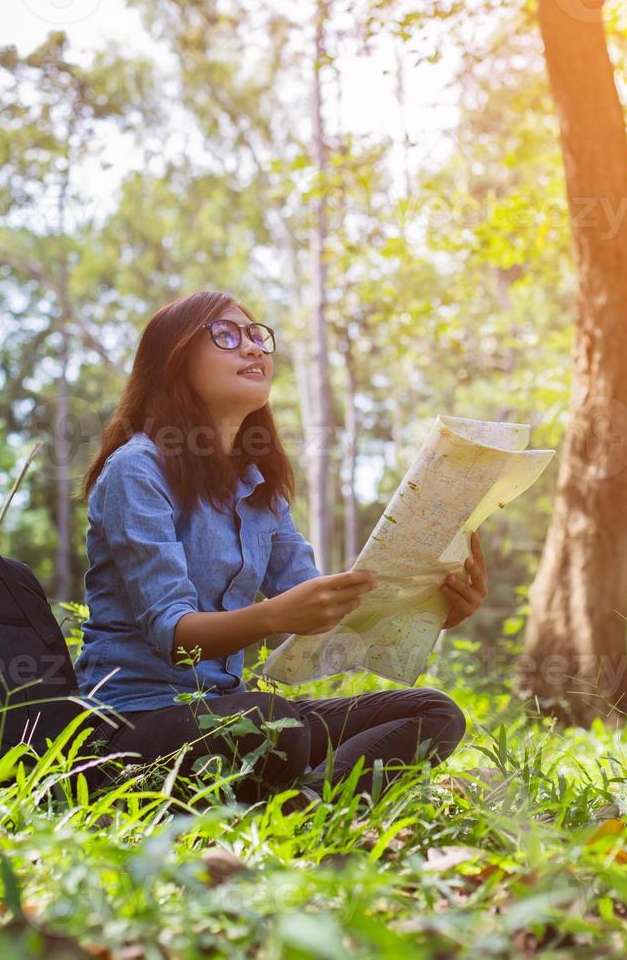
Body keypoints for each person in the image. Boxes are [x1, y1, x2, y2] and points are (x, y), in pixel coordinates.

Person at [75, 290, 484, 808]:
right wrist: (273, 616)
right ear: (173, 361)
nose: (252, 348)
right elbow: (174, 636)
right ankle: (295, 800)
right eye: (225, 335)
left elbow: (328, 612)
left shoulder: (258, 485)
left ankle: (298, 809)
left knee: (433, 712)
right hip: (133, 724)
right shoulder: (137, 470)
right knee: (273, 726)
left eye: (256, 335)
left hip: (228, 715)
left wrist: (432, 606)